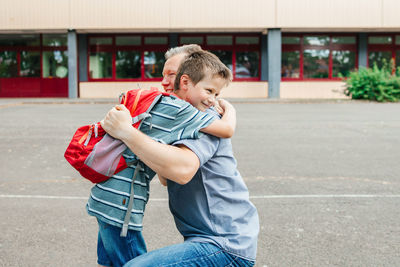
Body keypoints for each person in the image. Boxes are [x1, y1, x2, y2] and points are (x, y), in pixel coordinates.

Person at [102, 50, 259, 266]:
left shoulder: (205, 117)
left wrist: (127, 132)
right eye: (164, 74)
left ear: (186, 79)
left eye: (173, 74)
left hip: (224, 243)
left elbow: (182, 171)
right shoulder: (179, 118)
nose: (165, 83)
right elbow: (167, 177)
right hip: (203, 239)